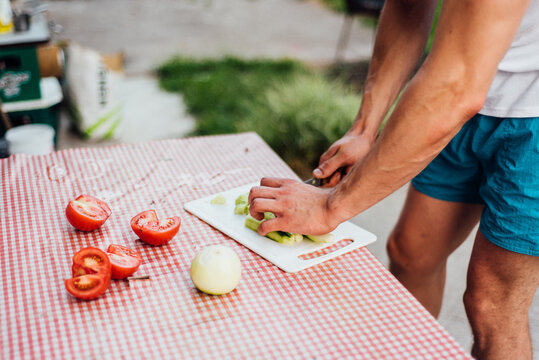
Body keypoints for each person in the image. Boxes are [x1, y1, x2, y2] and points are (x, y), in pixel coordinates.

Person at [247, 0, 539, 359]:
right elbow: (407, 7)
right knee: (412, 254)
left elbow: (456, 88)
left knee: (492, 304)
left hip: (513, 111)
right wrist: (364, 130)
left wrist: (331, 206)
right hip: (466, 91)